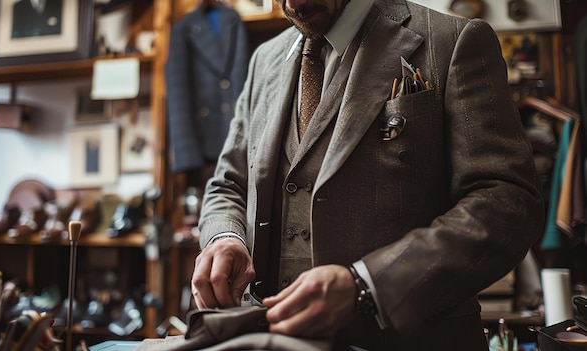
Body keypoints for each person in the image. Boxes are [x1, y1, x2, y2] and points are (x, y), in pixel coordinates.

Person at [190, 0, 545, 349]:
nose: (292, 4)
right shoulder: (264, 59)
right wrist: (225, 237)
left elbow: (506, 202)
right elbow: (228, 184)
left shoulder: (455, 40)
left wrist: (368, 286)